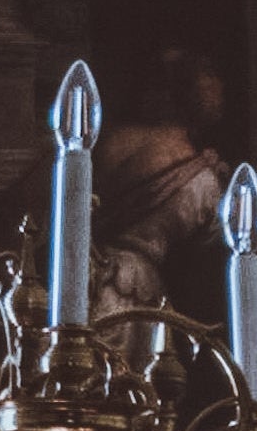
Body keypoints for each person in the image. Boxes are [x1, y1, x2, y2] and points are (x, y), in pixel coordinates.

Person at [88, 47, 230, 326]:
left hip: (80, 277)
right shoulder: (203, 176)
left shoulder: (111, 139)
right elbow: (215, 255)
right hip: (135, 293)